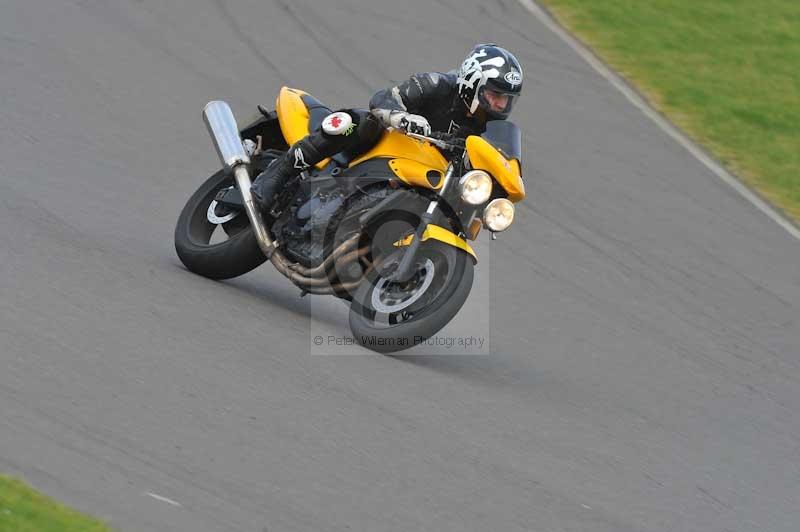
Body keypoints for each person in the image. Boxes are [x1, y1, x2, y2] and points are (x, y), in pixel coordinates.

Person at [251, 43, 523, 213]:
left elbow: (496, 161)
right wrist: (401, 117)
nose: (500, 105)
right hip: (391, 147)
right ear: (473, 83)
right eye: (495, 95)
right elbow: (383, 98)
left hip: (426, 175)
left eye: (506, 100)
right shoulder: (438, 85)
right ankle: (280, 171)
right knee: (358, 123)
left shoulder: (489, 129)